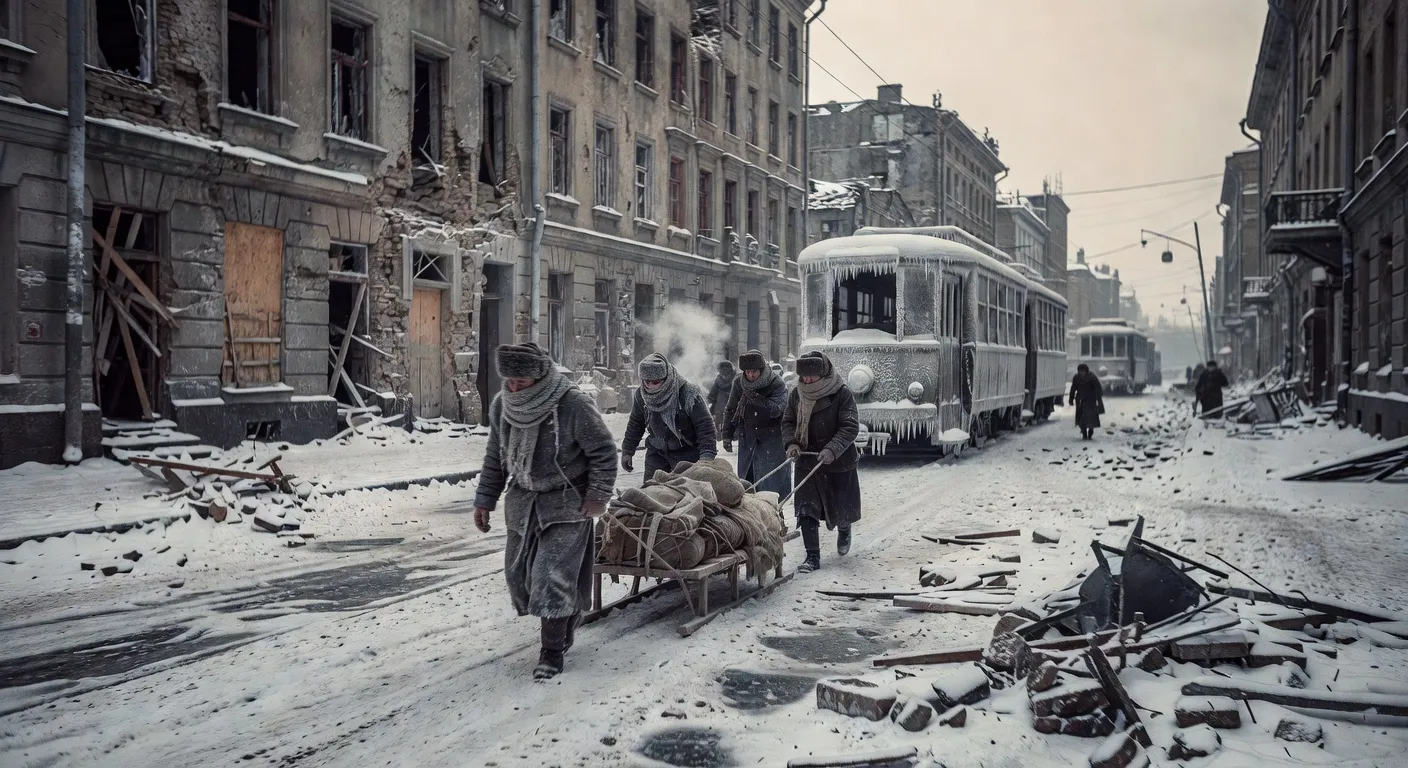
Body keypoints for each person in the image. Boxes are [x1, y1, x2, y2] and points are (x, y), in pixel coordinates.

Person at [473, 343, 618, 680]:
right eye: (508, 380)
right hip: (523, 503)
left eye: (520, 381)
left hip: (567, 502)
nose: (513, 387)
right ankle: (567, 617)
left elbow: (603, 452)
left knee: (550, 577)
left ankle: (551, 653)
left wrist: (597, 497)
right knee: (518, 577)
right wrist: (484, 500)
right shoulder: (502, 407)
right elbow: (496, 457)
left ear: (538, 375)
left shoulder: (572, 404)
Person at [782, 351, 861, 573]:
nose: (806, 380)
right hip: (807, 459)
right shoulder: (796, 394)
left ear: (823, 373)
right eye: (803, 376)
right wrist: (791, 443)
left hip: (837, 460)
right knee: (807, 509)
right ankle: (812, 557)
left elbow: (850, 426)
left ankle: (844, 529)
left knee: (840, 506)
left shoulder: (841, 393)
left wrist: (832, 449)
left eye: (811, 377)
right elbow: (788, 421)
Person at [620, 352, 718, 482]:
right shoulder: (641, 395)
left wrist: (707, 456)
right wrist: (628, 450)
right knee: (652, 493)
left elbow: (705, 425)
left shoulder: (688, 393)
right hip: (657, 453)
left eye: (655, 382)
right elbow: (636, 423)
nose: (650, 386)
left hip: (687, 453)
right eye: (646, 382)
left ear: (666, 378)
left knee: (687, 494)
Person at [722, 349, 790, 497]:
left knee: (770, 486)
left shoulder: (776, 383)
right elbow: (731, 409)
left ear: (761, 369)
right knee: (748, 484)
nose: (750, 375)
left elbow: (778, 409)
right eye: (747, 371)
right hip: (748, 438)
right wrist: (727, 434)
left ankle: (776, 514)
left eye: (754, 371)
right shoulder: (739, 384)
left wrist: (758, 400)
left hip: (772, 440)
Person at [1069, 363, 1104, 441]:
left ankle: (1090, 432)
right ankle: (1084, 432)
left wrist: (1098, 398)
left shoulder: (1092, 377)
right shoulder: (1076, 378)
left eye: (1083, 371)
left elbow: (1098, 388)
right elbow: (1073, 388)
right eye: (1080, 371)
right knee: (1081, 418)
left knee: (1091, 418)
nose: (1081, 373)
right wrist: (1071, 398)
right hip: (1080, 400)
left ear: (1086, 371)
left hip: (1090, 400)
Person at [706, 360, 736, 435]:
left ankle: (722, 434)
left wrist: (711, 400)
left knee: (721, 421)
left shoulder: (719, 380)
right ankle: (725, 434)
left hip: (723, 404)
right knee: (726, 420)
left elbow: (713, 392)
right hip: (728, 404)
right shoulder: (735, 379)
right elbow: (713, 392)